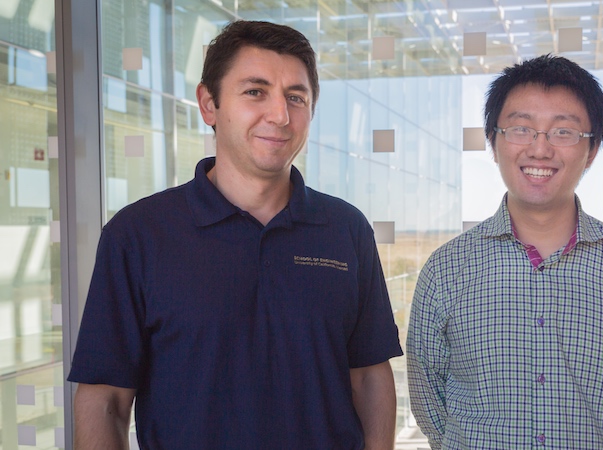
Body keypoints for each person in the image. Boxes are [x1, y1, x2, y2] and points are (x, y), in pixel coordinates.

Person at [69, 20, 402, 449]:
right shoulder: (137, 234)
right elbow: (105, 398)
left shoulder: (346, 228)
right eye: (255, 92)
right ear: (209, 104)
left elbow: (369, 376)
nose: (280, 115)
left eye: (296, 98)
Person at [406, 55, 603, 449]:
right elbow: (431, 403)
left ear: (593, 149)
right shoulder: (446, 270)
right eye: (521, 128)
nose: (540, 148)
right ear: (493, 143)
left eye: (563, 132)